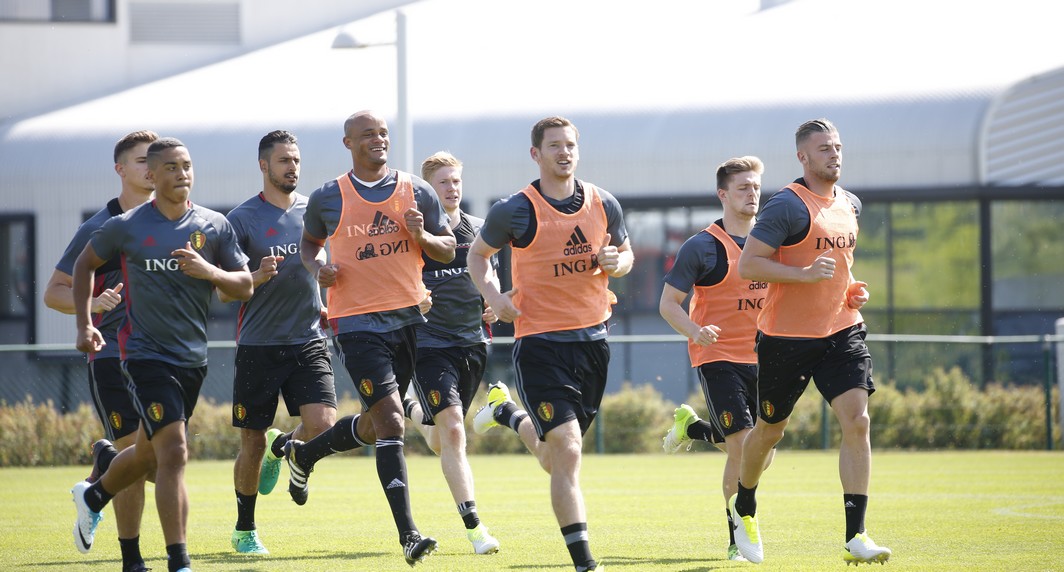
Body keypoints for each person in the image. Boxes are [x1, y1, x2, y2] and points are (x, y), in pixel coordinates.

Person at [69, 137, 253, 572]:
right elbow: (83, 265)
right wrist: (85, 324)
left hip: (192, 359)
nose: (182, 174)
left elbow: (244, 286)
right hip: (143, 356)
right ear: (152, 176)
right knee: (174, 452)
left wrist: (208, 271)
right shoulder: (127, 226)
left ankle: (96, 493)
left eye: (187, 165)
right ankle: (178, 561)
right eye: (171, 167)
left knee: (148, 455)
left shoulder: (213, 225)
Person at [288, 110, 456, 566]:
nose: (378, 140)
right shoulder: (328, 196)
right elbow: (309, 244)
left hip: (408, 322)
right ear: (349, 143)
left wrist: (422, 235)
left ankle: (305, 455)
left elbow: (447, 249)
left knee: (375, 423)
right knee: (393, 421)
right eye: (368, 135)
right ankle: (409, 535)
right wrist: (317, 267)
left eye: (383, 133)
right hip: (356, 324)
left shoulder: (416, 191)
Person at [468, 116, 633, 572]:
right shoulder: (514, 210)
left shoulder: (604, 202)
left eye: (570, 145)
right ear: (535, 154)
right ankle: (584, 562)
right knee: (568, 448)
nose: (564, 153)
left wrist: (617, 261)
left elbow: (626, 254)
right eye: (555, 145)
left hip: (593, 342)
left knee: (556, 456)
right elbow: (478, 256)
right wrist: (494, 297)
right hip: (540, 343)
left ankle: (506, 413)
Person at [733, 119, 891, 565]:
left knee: (857, 420)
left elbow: (841, 267)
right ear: (802, 157)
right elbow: (749, 265)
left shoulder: (851, 203)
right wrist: (803, 275)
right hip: (786, 338)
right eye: (824, 149)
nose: (834, 154)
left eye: (837, 147)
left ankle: (856, 535)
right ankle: (744, 504)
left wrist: (852, 289)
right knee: (770, 431)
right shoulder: (786, 205)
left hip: (842, 329)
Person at [44, 129, 158, 572]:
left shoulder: (172, 221)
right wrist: (92, 304)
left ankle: (101, 475)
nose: (151, 168)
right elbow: (54, 291)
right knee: (144, 462)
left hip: (162, 357)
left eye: (156, 159)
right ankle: (133, 561)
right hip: (112, 356)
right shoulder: (98, 229)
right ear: (120, 169)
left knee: (161, 463)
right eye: (142, 160)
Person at [220, 130, 338, 555]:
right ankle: (245, 529)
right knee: (250, 443)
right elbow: (222, 290)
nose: (292, 167)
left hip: (308, 338)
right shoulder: (240, 220)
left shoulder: (313, 211)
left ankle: (283, 446)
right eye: (284, 160)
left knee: (324, 425)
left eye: (296, 160)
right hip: (259, 346)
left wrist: (324, 303)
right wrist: (255, 277)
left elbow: (319, 267)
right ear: (264, 165)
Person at [658, 155, 776, 562]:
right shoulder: (702, 247)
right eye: (743, 188)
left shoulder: (773, 243)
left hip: (766, 358)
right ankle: (738, 539)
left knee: (764, 453)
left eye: (756, 187)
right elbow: (668, 304)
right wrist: (695, 331)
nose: (752, 194)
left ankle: (692, 429)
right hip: (718, 356)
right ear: (723, 195)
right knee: (742, 448)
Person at [399, 151, 501, 555]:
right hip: (429, 345)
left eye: (456, 180)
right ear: (427, 189)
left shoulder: (479, 229)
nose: (452, 188)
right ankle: (475, 528)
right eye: (443, 182)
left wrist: (493, 301)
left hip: (472, 343)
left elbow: (490, 274)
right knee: (455, 430)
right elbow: (396, 282)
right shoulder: (416, 235)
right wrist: (414, 301)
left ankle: (411, 409)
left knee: (442, 439)